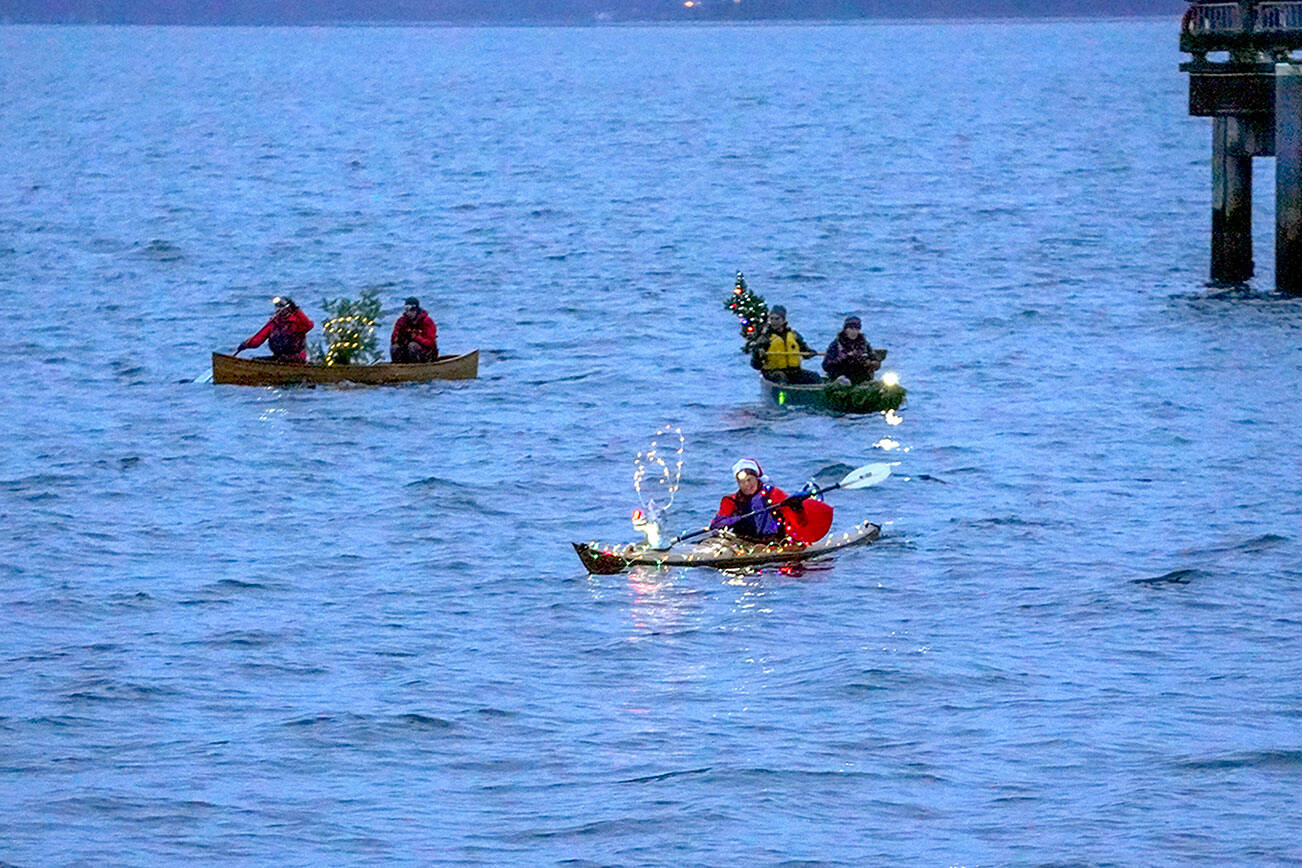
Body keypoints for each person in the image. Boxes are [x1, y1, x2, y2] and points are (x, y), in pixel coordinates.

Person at [709, 458, 808, 543]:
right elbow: (715, 524)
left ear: (757, 479)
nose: (747, 485)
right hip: (743, 542)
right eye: (742, 482)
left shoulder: (773, 494)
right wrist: (733, 520)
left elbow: (800, 522)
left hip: (775, 541)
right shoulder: (731, 501)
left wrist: (797, 508)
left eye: (749, 480)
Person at [750, 305, 820, 384]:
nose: (774, 322)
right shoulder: (765, 339)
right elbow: (755, 364)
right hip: (773, 372)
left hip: (794, 372)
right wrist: (758, 356)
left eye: (777, 319)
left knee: (814, 377)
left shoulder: (794, 335)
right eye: (771, 319)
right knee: (781, 377)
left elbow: (805, 352)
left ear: (783, 320)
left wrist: (811, 353)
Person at [236, 296, 314, 362]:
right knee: (255, 360)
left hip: (296, 358)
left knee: (283, 360)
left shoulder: (296, 322)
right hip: (278, 358)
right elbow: (258, 339)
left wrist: (297, 310)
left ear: (288, 308)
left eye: (280, 306)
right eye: (277, 306)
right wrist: (246, 344)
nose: (278, 309)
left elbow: (308, 325)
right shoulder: (273, 323)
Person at [822, 315, 885, 385]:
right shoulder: (836, 344)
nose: (854, 332)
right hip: (841, 376)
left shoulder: (864, 344)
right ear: (845, 329)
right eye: (851, 328)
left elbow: (875, 361)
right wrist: (841, 358)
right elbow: (826, 366)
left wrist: (869, 363)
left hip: (861, 377)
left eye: (856, 329)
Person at [390, 297, 439, 363]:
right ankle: (398, 368)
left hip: (427, 353)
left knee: (412, 346)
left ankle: (417, 369)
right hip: (406, 351)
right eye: (407, 310)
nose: (409, 313)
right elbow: (393, 338)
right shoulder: (401, 321)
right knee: (394, 348)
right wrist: (399, 337)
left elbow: (431, 343)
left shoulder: (427, 321)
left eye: (412, 310)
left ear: (417, 310)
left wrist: (416, 337)